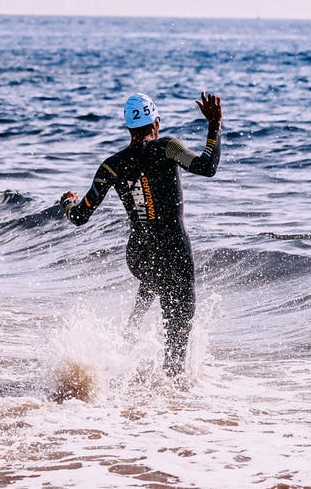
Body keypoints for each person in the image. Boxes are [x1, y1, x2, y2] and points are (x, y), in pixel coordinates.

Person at [59, 92, 222, 378]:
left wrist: (67, 202)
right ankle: (173, 390)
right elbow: (207, 166)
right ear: (156, 122)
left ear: (129, 128)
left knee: (154, 276)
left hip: (139, 255)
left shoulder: (111, 165)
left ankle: (135, 324)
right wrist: (214, 125)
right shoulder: (168, 147)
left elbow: (80, 216)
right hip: (174, 250)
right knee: (178, 326)